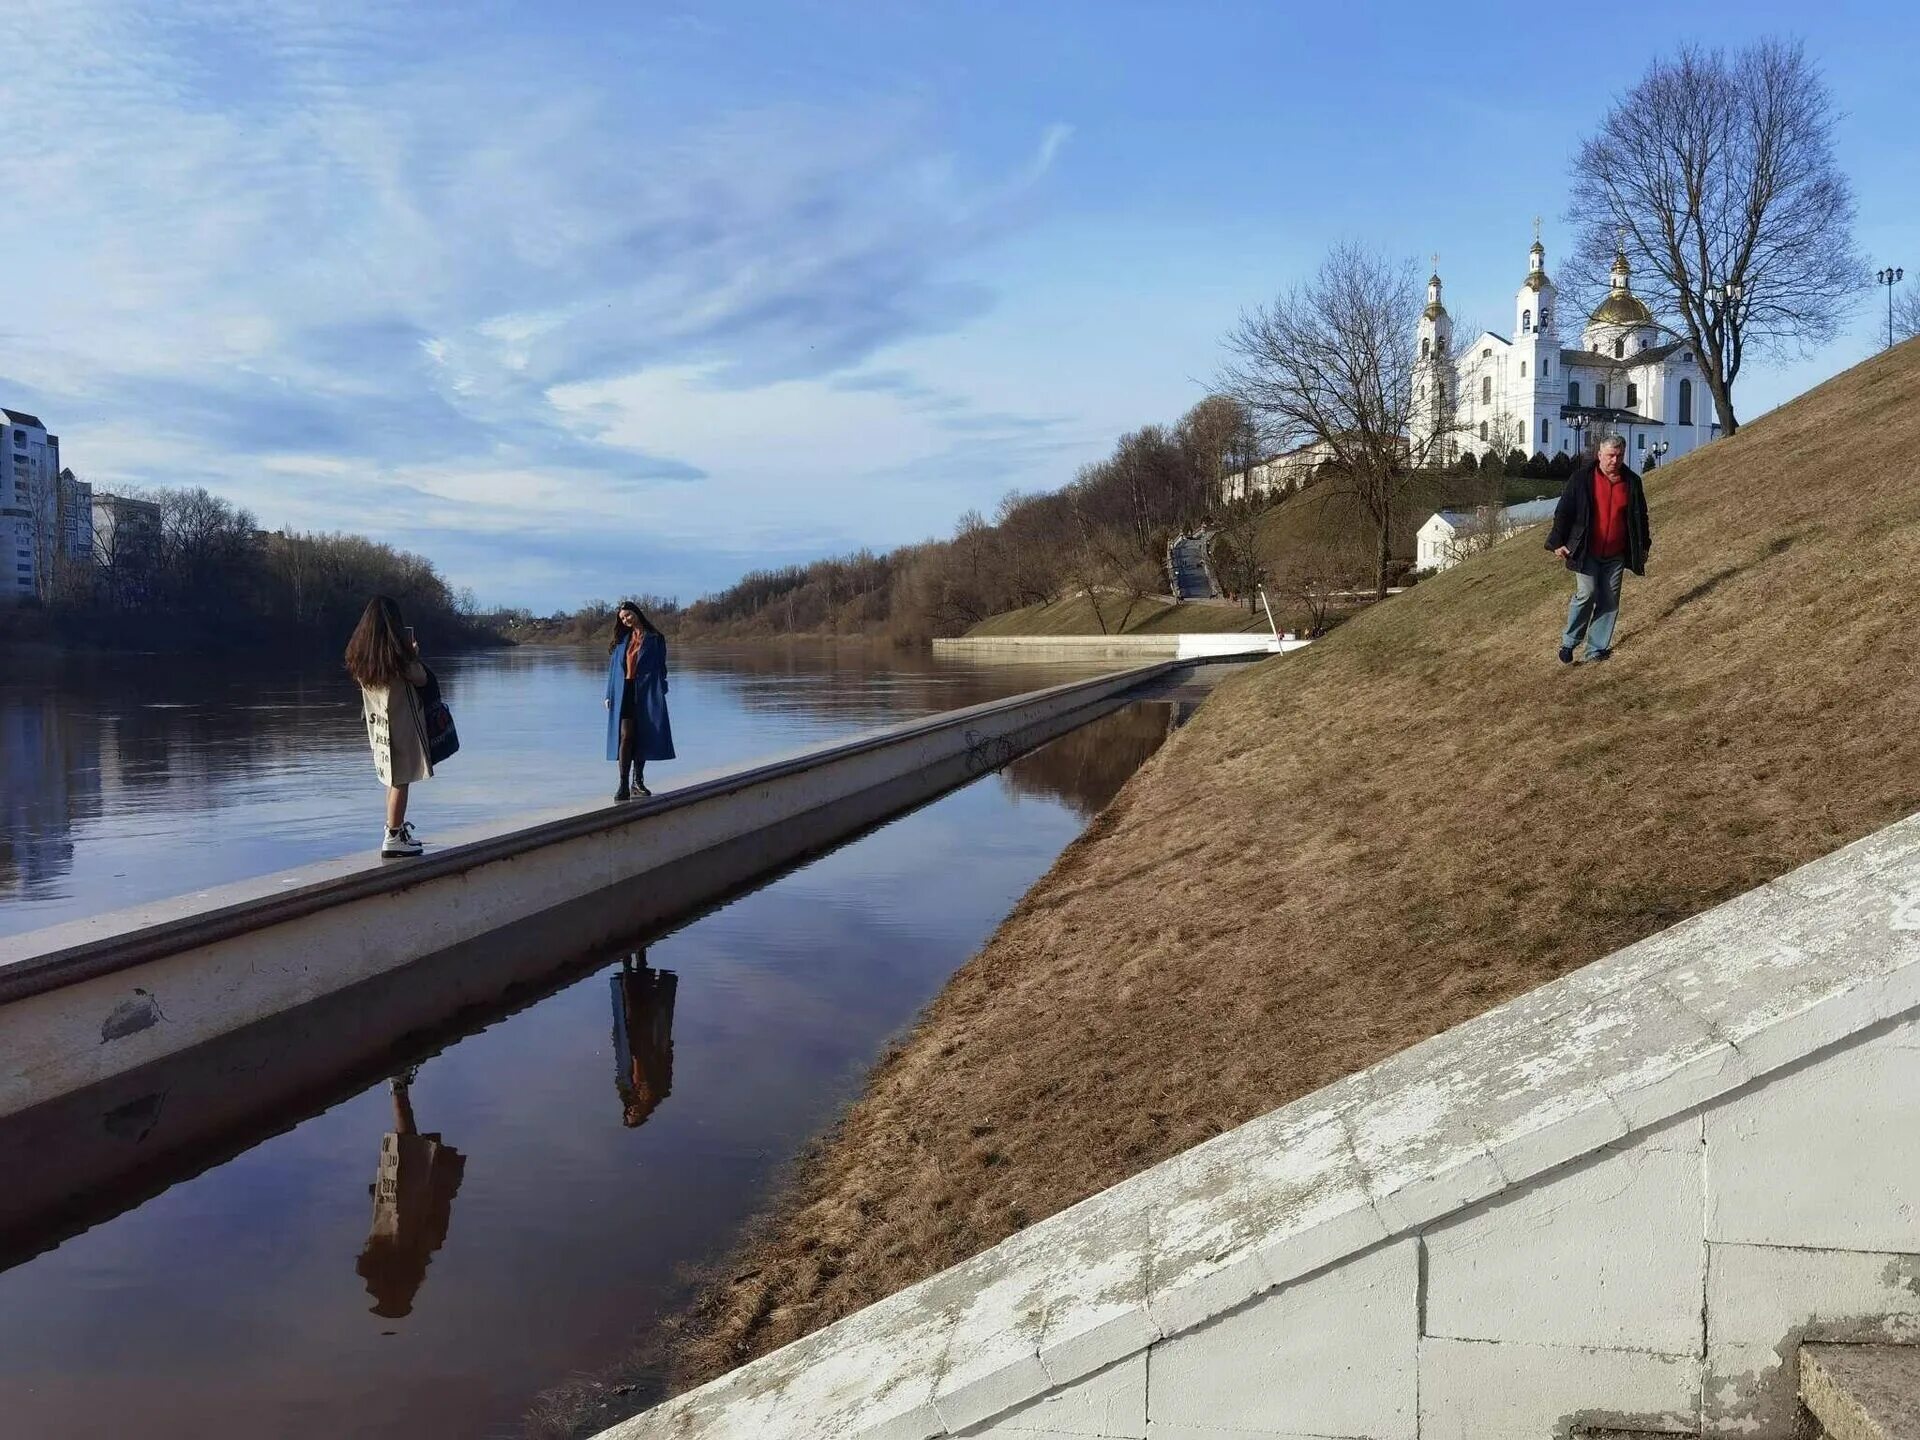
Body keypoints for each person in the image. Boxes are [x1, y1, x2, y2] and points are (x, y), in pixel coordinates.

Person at [1546, 434, 1652, 665]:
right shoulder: (1582, 479)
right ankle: (1569, 642)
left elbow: (1639, 516)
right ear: (1600, 455)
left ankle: (1596, 650)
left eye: (1620, 455)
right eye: (1611, 455)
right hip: (1586, 550)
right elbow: (1564, 511)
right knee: (1587, 593)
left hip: (1616, 552)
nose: (1615, 460)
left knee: (1609, 600)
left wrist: (1644, 545)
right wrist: (1557, 542)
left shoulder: (1632, 482)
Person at [346, 595, 432, 855]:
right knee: (401, 781)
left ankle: (393, 830)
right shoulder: (396, 656)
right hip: (400, 723)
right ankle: (394, 837)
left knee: (392, 779)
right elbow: (420, 679)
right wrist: (413, 655)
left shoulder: (361, 655)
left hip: (378, 726)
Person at [604, 601, 675, 801]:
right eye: (622, 618)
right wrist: (609, 694)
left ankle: (638, 781)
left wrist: (662, 688)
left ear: (636, 612)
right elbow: (613, 671)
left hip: (647, 691)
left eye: (628, 615)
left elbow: (661, 667)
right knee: (626, 736)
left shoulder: (656, 639)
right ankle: (623, 784)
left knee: (642, 734)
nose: (626, 620)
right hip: (623, 691)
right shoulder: (621, 640)